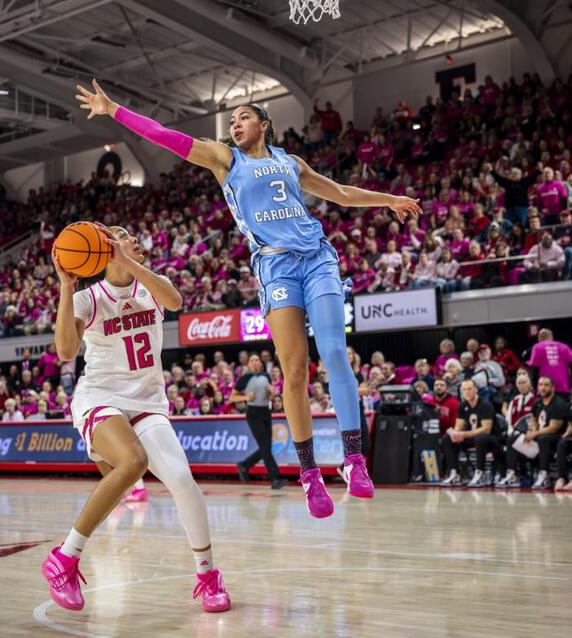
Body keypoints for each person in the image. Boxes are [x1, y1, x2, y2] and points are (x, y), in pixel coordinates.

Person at [78, 79, 422, 517]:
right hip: (276, 266)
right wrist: (115, 110)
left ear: (264, 124)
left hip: (317, 258)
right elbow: (167, 137)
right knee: (294, 371)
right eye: (232, 119)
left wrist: (389, 200)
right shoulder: (225, 159)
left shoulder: (291, 162)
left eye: (244, 116)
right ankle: (309, 473)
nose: (235, 123)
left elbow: (341, 193)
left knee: (336, 352)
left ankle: (354, 461)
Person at [43, 226, 230, 614]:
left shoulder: (151, 286)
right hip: (100, 397)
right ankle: (65, 558)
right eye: (122, 234)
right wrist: (66, 285)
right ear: (102, 246)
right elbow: (64, 351)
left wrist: (125, 260)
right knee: (132, 462)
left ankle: (208, 574)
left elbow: (175, 302)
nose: (133, 237)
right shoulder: (87, 298)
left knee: (181, 479)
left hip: (148, 402)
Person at [498, 377, 568, 489]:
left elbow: (553, 428)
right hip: (539, 438)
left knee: (542, 438)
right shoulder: (537, 403)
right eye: (540, 385)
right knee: (513, 439)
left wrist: (535, 434)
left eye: (546, 385)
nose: (543, 388)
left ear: (553, 387)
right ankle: (512, 474)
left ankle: (544, 475)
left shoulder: (558, 404)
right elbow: (534, 421)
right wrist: (533, 430)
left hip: (555, 440)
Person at [232, 353, 287, 490]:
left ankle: (245, 465)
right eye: (252, 360)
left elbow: (268, 396)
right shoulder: (245, 378)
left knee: (266, 447)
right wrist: (245, 397)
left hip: (266, 412)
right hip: (253, 414)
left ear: (260, 363)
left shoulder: (266, 376)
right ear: (248, 364)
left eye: (257, 360)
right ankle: (275, 478)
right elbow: (232, 397)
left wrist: (272, 394)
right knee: (265, 446)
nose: (255, 362)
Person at [439, 380, 500, 487]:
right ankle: (454, 473)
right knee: (447, 439)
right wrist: (455, 434)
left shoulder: (485, 405)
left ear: (476, 390)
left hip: (491, 438)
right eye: (464, 390)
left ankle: (480, 473)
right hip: (473, 437)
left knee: (480, 438)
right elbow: (459, 425)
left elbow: (486, 429)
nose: (467, 392)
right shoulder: (463, 405)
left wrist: (463, 434)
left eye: (469, 389)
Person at [528, 329, 572, 396]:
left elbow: (534, 369)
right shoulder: (564, 347)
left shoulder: (537, 347)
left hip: (544, 388)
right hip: (563, 388)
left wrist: (535, 387)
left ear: (539, 338)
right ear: (551, 337)